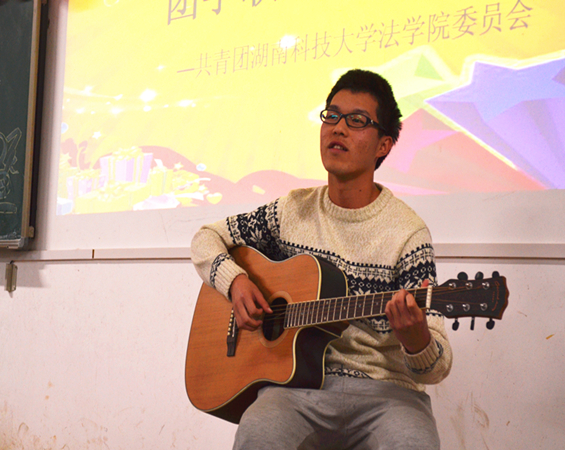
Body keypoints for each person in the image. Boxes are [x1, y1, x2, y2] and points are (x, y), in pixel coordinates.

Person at [190, 69, 452, 450]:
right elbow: (206, 238)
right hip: (295, 389)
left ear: (383, 145)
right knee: (258, 434)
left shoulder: (408, 234)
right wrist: (236, 282)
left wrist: (417, 341)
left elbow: (437, 366)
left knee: (414, 444)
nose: (338, 128)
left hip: (387, 395)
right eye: (332, 116)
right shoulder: (291, 211)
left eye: (357, 121)